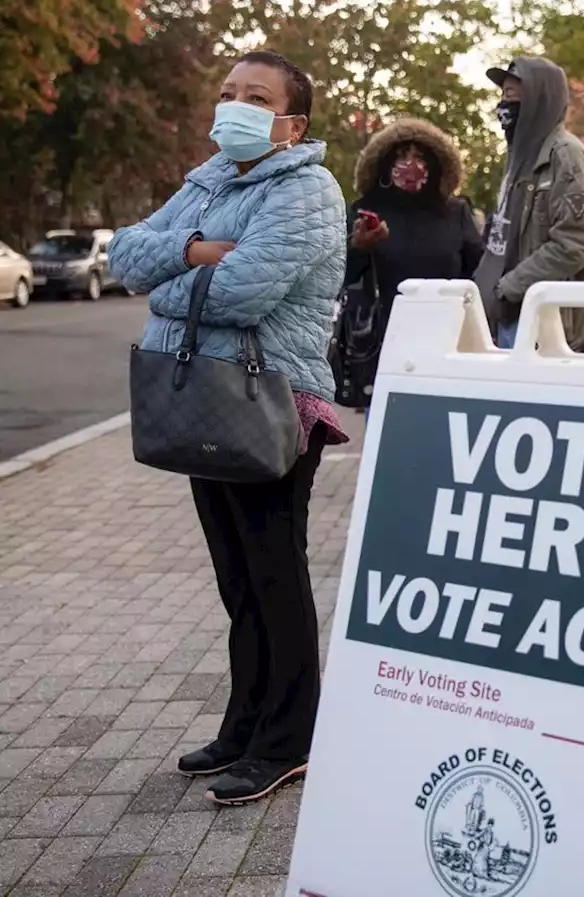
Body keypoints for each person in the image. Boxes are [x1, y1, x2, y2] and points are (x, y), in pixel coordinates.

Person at [108, 50, 348, 806]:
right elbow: (125, 254)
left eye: (256, 96)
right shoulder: (208, 180)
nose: (234, 106)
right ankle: (244, 725)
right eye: (228, 92)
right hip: (210, 395)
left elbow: (244, 291)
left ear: (291, 122)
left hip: (273, 403)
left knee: (276, 573)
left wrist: (168, 286)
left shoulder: (308, 189)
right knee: (237, 576)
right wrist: (197, 250)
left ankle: (288, 740)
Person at [473, 57, 584, 351]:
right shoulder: (519, 157)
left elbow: (573, 244)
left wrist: (507, 287)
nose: (503, 105)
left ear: (539, 98)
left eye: (511, 95)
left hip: (545, 326)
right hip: (509, 318)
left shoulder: (565, 156)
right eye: (502, 95)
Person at [347, 117, 483, 306]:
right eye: (401, 156)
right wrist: (358, 248)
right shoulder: (365, 210)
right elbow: (337, 277)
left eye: (419, 156)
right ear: (386, 163)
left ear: (434, 164)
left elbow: (479, 273)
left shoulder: (455, 212)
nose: (410, 164)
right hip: (382, 328)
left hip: (444, 324)